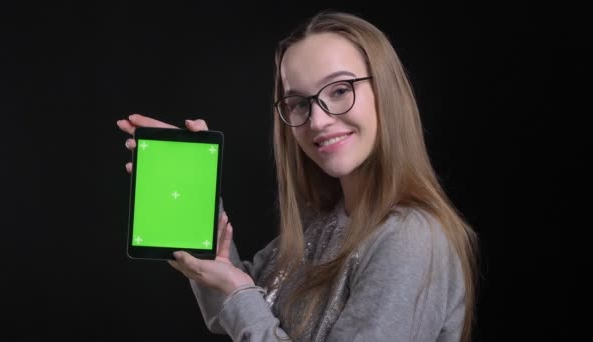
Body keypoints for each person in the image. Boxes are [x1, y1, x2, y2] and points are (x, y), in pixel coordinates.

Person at [117, 10, 478, 342]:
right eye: (299, 103)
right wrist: (193, 192)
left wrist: (238, 293)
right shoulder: (322, 224)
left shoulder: (410, 238)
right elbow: (229, 308)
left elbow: (242, 301)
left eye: (340, 90)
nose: (318, 121)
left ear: (386, 92)